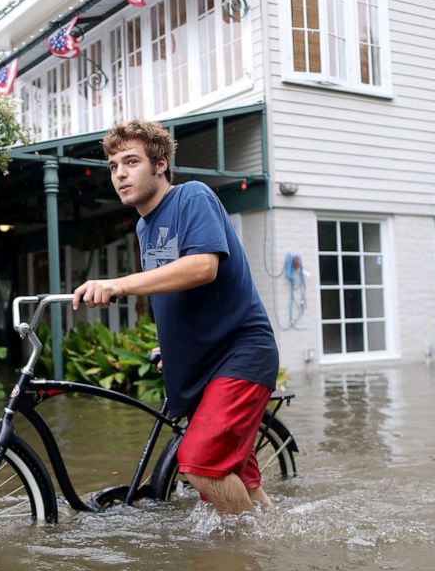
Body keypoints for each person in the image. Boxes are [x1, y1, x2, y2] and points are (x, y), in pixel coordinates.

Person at [72, 119, 280, 514]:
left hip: (241, 354)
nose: (120, 174)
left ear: (161, 164)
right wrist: (172, 346)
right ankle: (268, 543)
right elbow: (172, 291)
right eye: (113, 166)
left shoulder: (192, 198)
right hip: (202, 362)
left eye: (131, 162)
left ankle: (251, 561)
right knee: (240, 480)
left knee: (201, 465)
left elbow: (202, 267)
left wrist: (120, 284)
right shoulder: (143, 225)